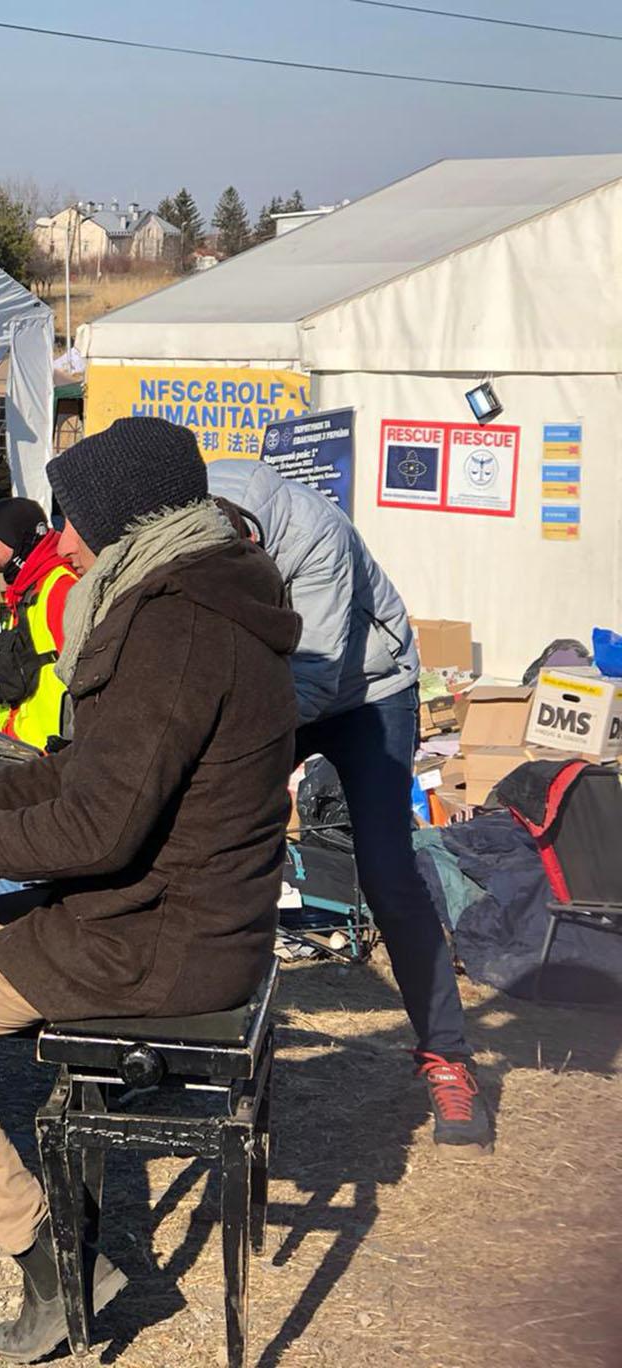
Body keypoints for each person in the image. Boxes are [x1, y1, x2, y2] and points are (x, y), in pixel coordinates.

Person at [0, 416, 300, 1363]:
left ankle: (55, 1262)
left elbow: (92, 828)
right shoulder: (199, 592)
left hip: (158, 939)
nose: (61, 541)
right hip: (173, 910)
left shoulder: (175, 628)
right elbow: (79, 773)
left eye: (75, 519)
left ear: (124, 515)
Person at [207, 458, 494, 1156]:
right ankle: (190, 1037)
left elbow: (314, 673)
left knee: (389, 874)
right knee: (209, 847)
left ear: (255, 545)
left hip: (368, 690)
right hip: (280, 687)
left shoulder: (314, 533)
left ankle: (447, 1057)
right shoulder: (192, 517)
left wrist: (256, 745)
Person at [0, 497, 76, 750]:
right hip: (14, 748)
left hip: (44, 761)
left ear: (11, 538)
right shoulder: (24, 587)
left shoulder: (61, 588)